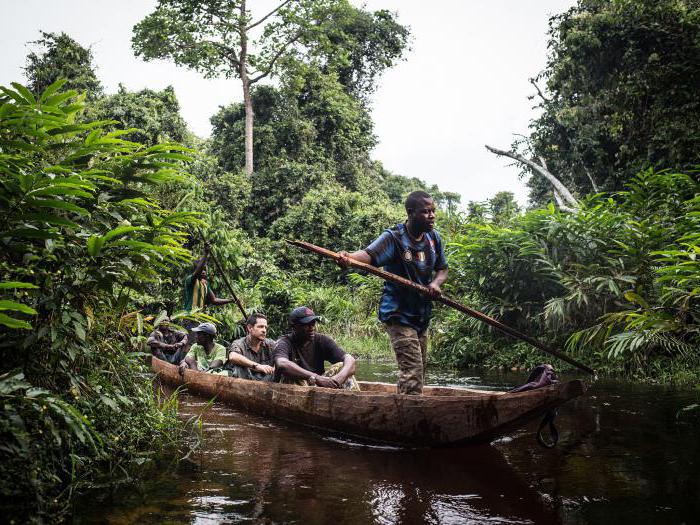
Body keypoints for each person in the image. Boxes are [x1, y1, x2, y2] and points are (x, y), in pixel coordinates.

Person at [338, 190, 448, 395]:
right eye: (426, 211)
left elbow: (442, 269)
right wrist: (348, 257)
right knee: (413, 370)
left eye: (433, 211)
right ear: (410, 212)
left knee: (418, 370)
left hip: (421, 315)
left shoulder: (434, 239)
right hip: (398, 314)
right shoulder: (394, 238)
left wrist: (436, 284)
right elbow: (369, 255)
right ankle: (409, 420)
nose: (432, 215)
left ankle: (404, 406)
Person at [274, 307, 358, 390]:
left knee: (342, 366)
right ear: (294, 326)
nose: (312, 328)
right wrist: (316, 377)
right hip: (295, 387)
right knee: (290, 373)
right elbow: (282, 364)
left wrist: (338, 379)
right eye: (307, 325)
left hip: (317, 386)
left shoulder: (322, 340)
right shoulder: (284, 342)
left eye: (313, 323)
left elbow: (350, 359)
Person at [183, 244, 237, 314]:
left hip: (199, 317)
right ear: (196, 270)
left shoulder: (205, 284)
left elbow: (214, 300)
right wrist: (206, 253)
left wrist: (231, 300)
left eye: (205, 269)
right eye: (201, 269)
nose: (203, 272)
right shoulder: (190, 279)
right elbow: (197, 271)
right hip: (189, 316)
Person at [225, 313, 276, 381]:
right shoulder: (239, 343)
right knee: (238, 367)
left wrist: (275, 367)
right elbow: (233, 356)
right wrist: (257, 366)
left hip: (266, 383)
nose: (264, 330)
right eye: (260, 327)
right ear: (249, 328)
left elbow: (283, 356)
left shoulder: (270, 344)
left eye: (265, 327)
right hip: (244, 382)